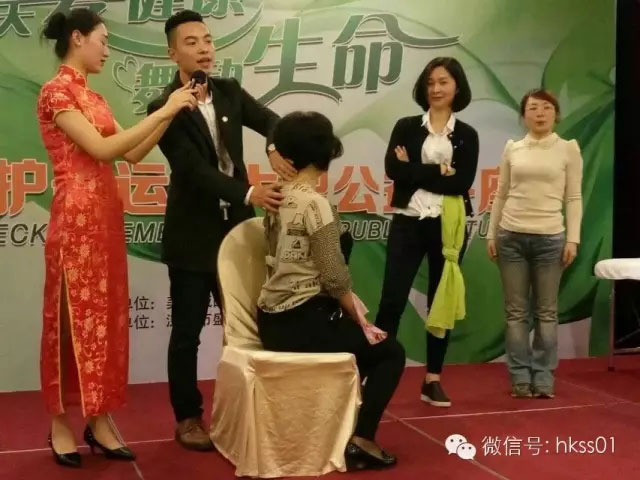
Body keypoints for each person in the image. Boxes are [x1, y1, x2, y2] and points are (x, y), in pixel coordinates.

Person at [37, 8, 197, 468]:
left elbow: (134, 152)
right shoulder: (56, 92)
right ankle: (60, 422)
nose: (107, 49)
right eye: (103, 40)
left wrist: (171, 109)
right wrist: (167, 108)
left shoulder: (96, 98)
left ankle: (100, 418)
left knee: (105, 320)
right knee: (70, 323)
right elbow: (103, 149)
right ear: (77, 38)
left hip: (106, 217)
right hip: (75, 220)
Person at [147, 10, 294, 451]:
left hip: (237, 232)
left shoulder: (229, 91)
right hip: (192, 236)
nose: (204, 49)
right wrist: (250, 192)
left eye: (208, 40)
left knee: (247, 325)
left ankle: (251, 404)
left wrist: (273, 144)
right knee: (187, 333)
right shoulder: (164, 108)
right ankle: (188, 417)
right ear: (173, 53)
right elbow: (193, 171)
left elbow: (272, 120)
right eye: (191, 42)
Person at [257, 111, 405, 471]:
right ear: (326, 153)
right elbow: (335, 278)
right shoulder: (315, 204)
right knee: (390, 352)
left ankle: (331, 426)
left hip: (270, 319)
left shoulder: (275, 195)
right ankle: (362, 438)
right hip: (303, 321)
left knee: (360, 343)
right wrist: (361, 319)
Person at [375, 57, 478, 407]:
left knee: (440, 300)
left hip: (448, 226)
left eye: (443, 82)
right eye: (431, 82)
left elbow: (462, 183)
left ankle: (432, 378)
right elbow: (393, 169)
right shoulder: (406, 126)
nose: (436, 88)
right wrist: (439, 171)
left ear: (457, 87)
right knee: (392, 298)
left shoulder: (466, 135)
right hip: (409, 220)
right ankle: (375, 373)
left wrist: (414, 169)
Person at [486, 89, 583, 399]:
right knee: (516, 313)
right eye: (533, 108)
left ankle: (543, 377)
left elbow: (574, 197)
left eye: (546, 107)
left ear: (556, 114)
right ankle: (519, 378)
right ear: (523, 115)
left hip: (550, 238)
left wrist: (573, 239)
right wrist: (491, 234)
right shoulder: (512, 148)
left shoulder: (568, 149)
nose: (540, 113)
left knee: (546, 313)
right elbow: (501, 193)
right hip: (510, 236)